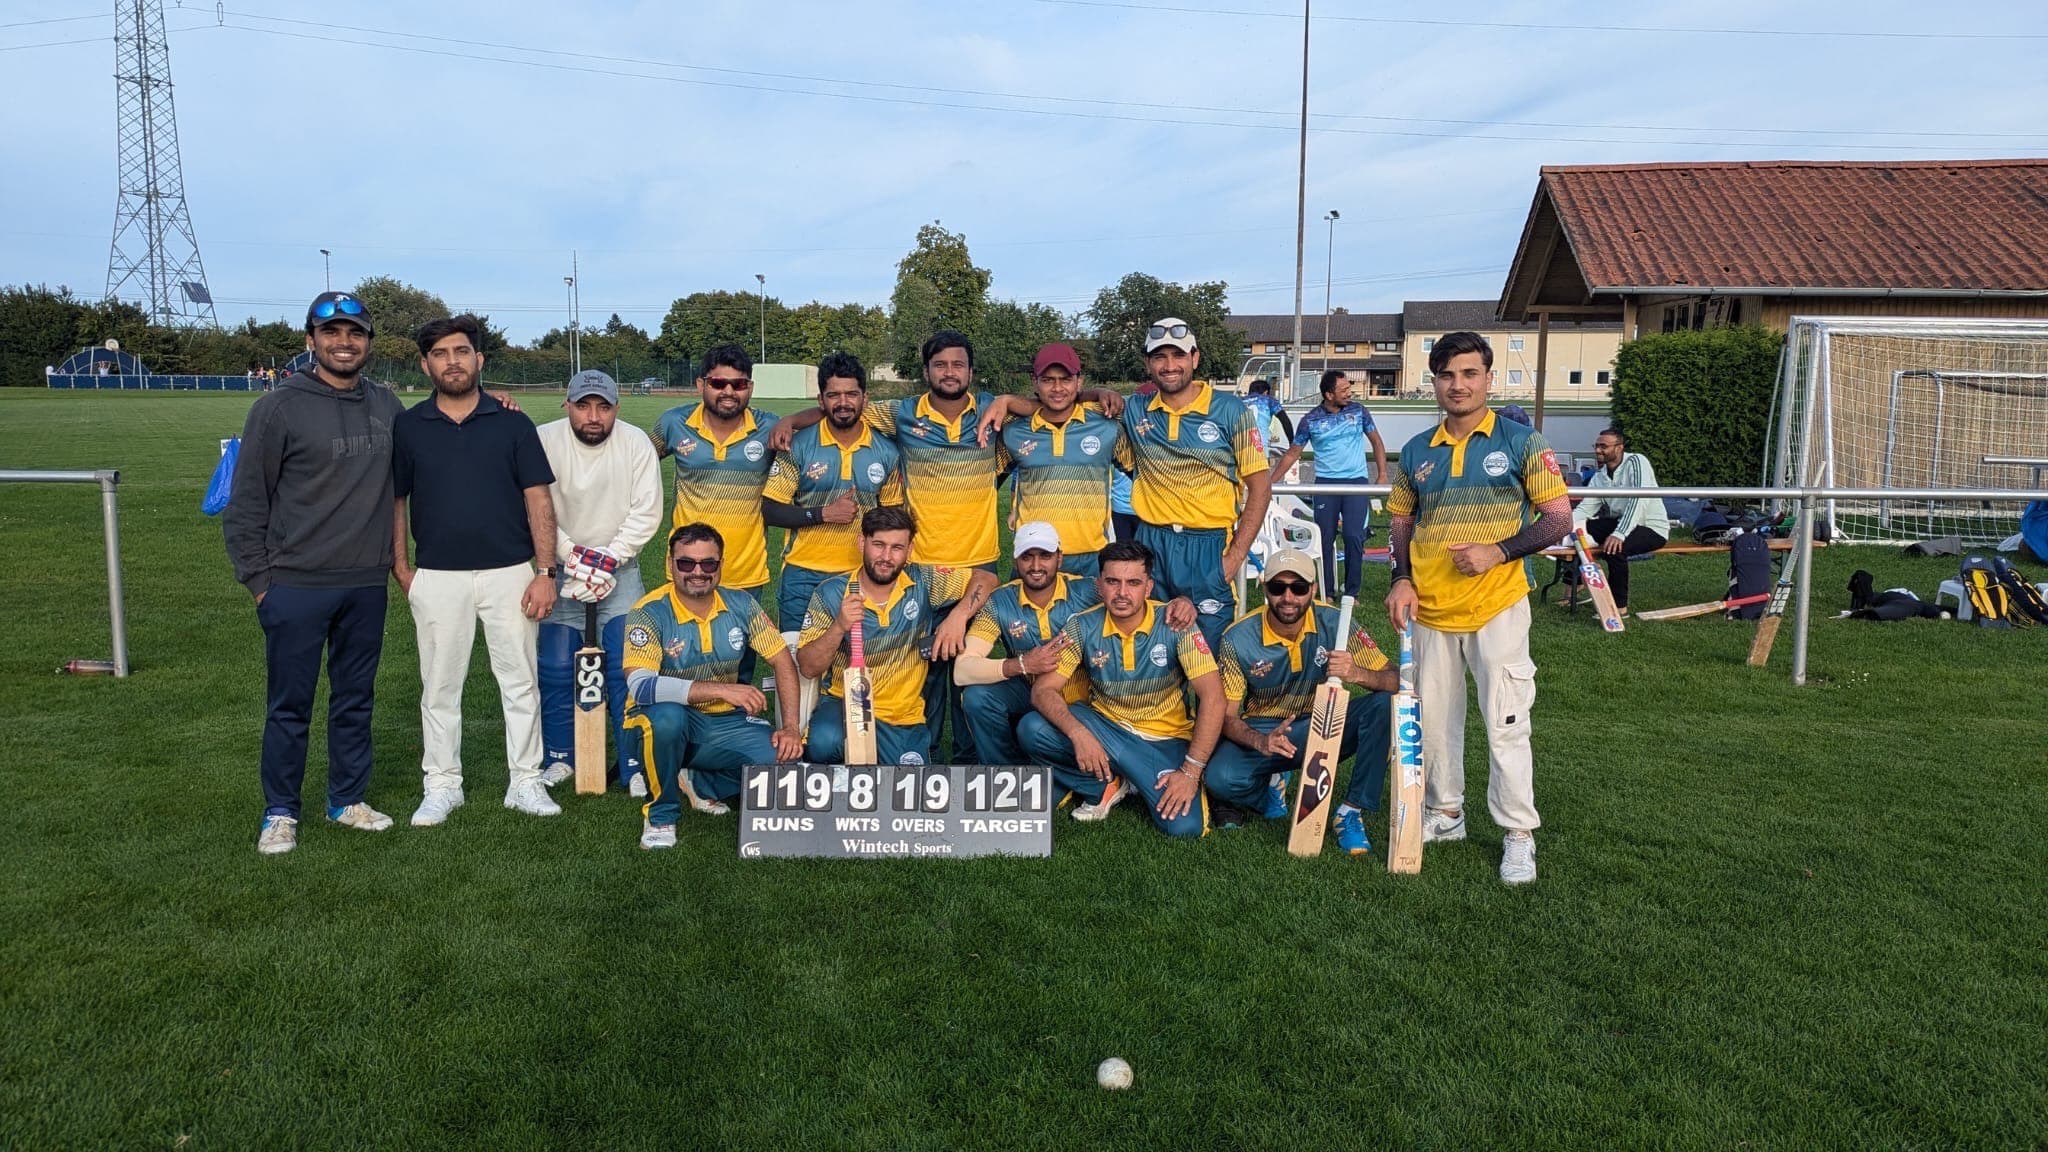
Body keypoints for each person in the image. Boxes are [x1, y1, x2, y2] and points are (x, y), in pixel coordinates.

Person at [1384, 331, 1569, 885]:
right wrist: (1400, 579)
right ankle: (1446, 814)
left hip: (1497, 606)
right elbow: (1401, 522)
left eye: (1469, 373)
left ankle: (1518, 834)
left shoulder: (1523, 442)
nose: (1458, 385)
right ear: (1434, 382)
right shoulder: (1416, 450)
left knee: (1506, 722)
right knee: (1435, 725)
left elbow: (1559, 519)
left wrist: (1499, 551)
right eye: (1447, 375)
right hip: (1431, 609)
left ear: (1488, 378)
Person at [225, 290, 403, 854]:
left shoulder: (387, 405)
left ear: (368, 343)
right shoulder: (278, 407)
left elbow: (436, 438)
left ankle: (346, 798)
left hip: (365, 584)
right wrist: (259, 584)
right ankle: (280, 811)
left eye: (355, 333)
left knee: (355, 699)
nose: (344, 343)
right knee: (290, 706)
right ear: (311, 340)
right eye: (331, 333)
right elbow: (246, 501)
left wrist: (494, 401)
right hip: (294, 584)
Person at [772, 331, 1003, 762]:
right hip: (920, 561)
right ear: (926, 371)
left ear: (971, 371)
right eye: (939, 365)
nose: (949, 372)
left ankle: (967, 764)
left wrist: (1008, 401)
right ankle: (917, 750)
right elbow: (843, 408)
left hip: (976, 563)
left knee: (967, 672)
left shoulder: (992, 413)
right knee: (923, 670)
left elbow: (1039, 407)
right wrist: (791, 420)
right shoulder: (901, 412)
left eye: (957, 364)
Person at [392, 314, 560, 826]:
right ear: (426, 365)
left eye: (461, 352)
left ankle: (525, 781)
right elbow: (396, 501)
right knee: (440, 687)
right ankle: (442, 785)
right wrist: (402, 567)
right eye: (440, 354)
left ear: (479, 359)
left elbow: (538, 499)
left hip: (510, 572)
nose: (452, 362)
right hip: (437, 576)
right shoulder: (409, 426)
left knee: (520, 682)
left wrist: (545, 571)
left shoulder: (513, 423)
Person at [1017, 540, 1226, 838]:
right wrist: (1078, 733)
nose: (1122, 593)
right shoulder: (1081, 626)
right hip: (1106, 730)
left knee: (1183, 827)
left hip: (1165, 739)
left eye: (1133, 583)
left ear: (1149, 587)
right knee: (1032, 728)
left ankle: (1126, 775)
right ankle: (1105, 782)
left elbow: (1214, 698)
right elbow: (1042, 690)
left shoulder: (1176, 623)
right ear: (1099, 585)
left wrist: (1190, 772)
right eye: (1113, 582)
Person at [620, 523, 805, 849]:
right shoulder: (648, 611)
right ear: (670, 564)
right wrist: (722, 690)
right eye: (686, 563)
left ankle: (700, 782)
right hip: (657, 720)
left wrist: (790, 727)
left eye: (708, 563)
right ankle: (661, 816)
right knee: (668, 719)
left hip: (723, 721)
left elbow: (781, 660)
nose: (698, 572)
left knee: (785, 759)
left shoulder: (741, 603)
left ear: (720, 564)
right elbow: (642, 687)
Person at [1209, 549, 1395, 849]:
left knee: (1385, 705)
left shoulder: (1335, 621)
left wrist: (1357, 673)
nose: (1288, 597)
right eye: (1277, 587)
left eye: (1298, 588)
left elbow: (1396, 680)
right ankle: (1270, 788)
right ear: (1264, 588)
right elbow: (1226, 716)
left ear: (1313, 588)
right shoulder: (1237, 638)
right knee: (1219, 778)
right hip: (1268, 728)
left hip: (1326, 719)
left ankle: (1351, 810)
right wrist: (1261, 741)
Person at [534, 369, 663, 791]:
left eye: (603, 407)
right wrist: (574, 558)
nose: (593, 416)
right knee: (556, 666)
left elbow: (646, 511)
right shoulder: (543, 439)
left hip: (619, 572)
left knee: (629, 668)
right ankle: (561, 757)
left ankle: (633, 763)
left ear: (616, 409)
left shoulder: (635, 442)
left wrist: (606, 560)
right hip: (560, 570)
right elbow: (534, 506)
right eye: (584, 406)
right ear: (567, 405)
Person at [797, 506, 997, 765]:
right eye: (878, 545)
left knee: (910, 783)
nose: (886, 557)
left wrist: (958, 616)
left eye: (897, 548)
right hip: (846, 704)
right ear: (862, 543)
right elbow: (808, 667)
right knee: (824, 744)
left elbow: (986, 578)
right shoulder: (831, 593)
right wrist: (839, 626)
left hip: (902, 715)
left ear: (910, 550)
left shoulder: (924, 581)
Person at [760, 351, 905, 628]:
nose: (843, 403)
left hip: (860, 574)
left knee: (853, 655)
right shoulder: (798, 445)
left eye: (851, 394)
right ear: (821, 400)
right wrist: (824, 514)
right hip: (802, 575)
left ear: (865, 398)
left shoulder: (887, 451)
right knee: (799, 653)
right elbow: (769, 510)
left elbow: (892, 518)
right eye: (833, 395)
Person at [650, 344, 781, 641]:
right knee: (684, 656)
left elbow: (815, 432)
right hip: (687, 567)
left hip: (746, 571)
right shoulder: (674, 423)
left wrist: (793, 422)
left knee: (741, 660)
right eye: (719, 383)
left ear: (750, 387)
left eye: (739, 384)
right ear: (701, 384)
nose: (729, 392)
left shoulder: (769, 427)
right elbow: (636, 461)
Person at [953, 522, 1099, 765]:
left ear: (1060, 558)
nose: (1036, 566)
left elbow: (1134, 601)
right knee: (977, 697)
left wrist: (1171, 606)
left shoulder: (1089, 591)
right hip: (1029, 691)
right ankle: (1005, 772)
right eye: (1027, 557)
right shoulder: (1000, 601)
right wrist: (1023, 664)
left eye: (1045, 556)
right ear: (1015, 560)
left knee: (1034, 729)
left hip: (1086, 695)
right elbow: (962, 670)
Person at [990, 343, 1132, 577]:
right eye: (1048, 380)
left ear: (1079, 382)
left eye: (1065, 379)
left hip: (1090, 558)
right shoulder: (1014, 430)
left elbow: (1140, 474)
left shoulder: (1107, 425)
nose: (1057, 388)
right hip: (1033, 556)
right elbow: (987, 486)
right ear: (1034, 381)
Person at [1272, 369, 1389, 601]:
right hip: (1325, 484)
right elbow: (1293, 453)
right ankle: (1328, 592)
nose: (1349, 393)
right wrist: (1271, 481)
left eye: (1349, 388)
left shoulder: (1359, 411)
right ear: (1328, 394)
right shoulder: (1310, 420)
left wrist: (1382, 474)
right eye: (1343, 390)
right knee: (1324, 538)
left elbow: (1376, 441)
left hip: (1356, 482)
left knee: (1354, 536)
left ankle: (1352, 592)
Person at [1570, 426, 1670, 615]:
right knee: (1577, 530)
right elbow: (1586, 508)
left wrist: (1619, 534)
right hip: (1622, 523)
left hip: (1651, 528)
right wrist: (1562, 525)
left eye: (1604, 446)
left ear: (1619, 447)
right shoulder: (1600, 476)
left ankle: (1618, 606)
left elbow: (1638, 500)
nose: (1598, 450)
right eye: (1596, 446)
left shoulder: (1637, 461)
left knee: (1614, 549)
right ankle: (1573, 587)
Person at [1245, 378, 1294, 448]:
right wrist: (1292, 443)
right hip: (1260, 443)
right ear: (1266, 392)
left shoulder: (1240, 401)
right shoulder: (1268, 400)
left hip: (1240, 444)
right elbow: (1285, 421)